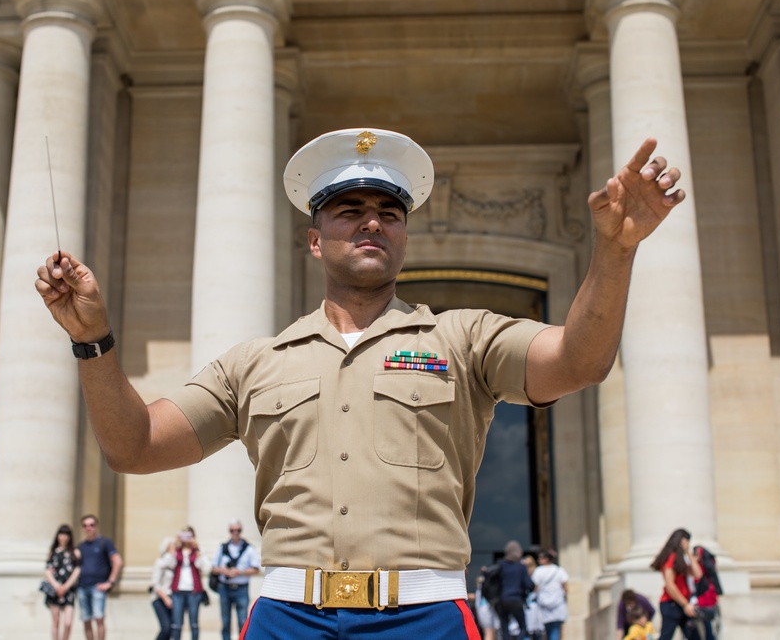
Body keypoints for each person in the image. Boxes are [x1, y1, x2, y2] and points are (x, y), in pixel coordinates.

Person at [35, 127, 685, 639]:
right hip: (287, 616)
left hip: (424, 618)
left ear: (404, 237)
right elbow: (135, 444)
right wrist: (91, 340)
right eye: (349, 210)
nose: (372, 221)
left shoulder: (462, 340)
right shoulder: (256, 361)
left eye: (389, 211)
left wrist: (616, 250)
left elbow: (578, 360)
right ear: (315, 241)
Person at [211, 520, 261, 640]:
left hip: (241, 588)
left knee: (242, 620)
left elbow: (256, 569)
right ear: (229, 531)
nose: (235, 533)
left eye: (238, 530)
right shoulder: (222, 547)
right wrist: (224, 571)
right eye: (232, 530)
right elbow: (213, 568)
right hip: (225, 587)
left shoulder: (249, 548)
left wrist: (239, 572)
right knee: (225, 621)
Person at [650, 528, 703, 640]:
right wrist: (685, 604)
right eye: (686, 541)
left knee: (695, 637)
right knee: (666, 637)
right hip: (671, 604)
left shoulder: (682, 559)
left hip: (683, 604)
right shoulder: (671, 558)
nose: (687, 544)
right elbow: (670, 585)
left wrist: (688, 553)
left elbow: (698, 574)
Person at [77, 514, 122, 640]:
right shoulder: (81, 546)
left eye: (91, 525)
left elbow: (117, 561)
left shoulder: (104, 542)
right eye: (85, 526)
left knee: (99, 619)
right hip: (82, 586)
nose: (88, 528)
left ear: (96, 526)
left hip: (98, 587)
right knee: (86, 620)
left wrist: (110, 582)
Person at [44, 524, 81, 640]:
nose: (63, 537)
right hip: (54, 589)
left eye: (66, 534)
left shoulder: (75, 552)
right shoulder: (52, 552)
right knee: (56, 621)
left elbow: (77, 570)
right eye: (61, 534)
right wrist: (56, 585)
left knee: (68, 623)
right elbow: (47, 571)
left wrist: (65, 586)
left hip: (68, 590)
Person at [171, 527, 208, 640]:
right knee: (177, 624)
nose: (186, 539)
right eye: (184, 536)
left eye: (189, 536)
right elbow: (170, 564)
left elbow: (204, 567)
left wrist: (197, 550)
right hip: (178, 590)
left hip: (194, 590)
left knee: (194, 623)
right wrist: (174, 545)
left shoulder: (197, 550)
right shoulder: (176, 550)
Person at [497, 541, 536, 640]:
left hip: (503, 600)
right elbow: (528, 584)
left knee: (504, 629)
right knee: (523, 628)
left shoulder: (501, 565)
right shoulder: (521, 567)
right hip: (516, 600)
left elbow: (497, 582)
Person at [531, 549, 568, 640]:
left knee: (545, 631)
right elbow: (565, 586)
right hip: (557, 604)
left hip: (543, 605)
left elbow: (535, 588)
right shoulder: (559, 570)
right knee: (555, 630)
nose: (539, 560)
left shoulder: (538, 571)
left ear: (546, 558)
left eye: (540, 558)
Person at [151, 536, 179, 640]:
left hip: (173, 597)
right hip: (160, 598)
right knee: (166, 627)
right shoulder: (160, 562)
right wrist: (165, 598)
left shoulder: (175, 563)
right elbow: (155, 584)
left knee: (173, 629)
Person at [692, 545, 721, 640]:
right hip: (705, 597)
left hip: (706, 598)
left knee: (707, 625)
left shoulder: (702, 565)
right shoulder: (707, 564)